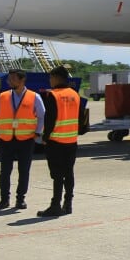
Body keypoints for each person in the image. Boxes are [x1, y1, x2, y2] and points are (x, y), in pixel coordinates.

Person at [0, 69, 45, 211]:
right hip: (6, 139)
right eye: (9, 79)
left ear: (22, 80)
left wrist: (38, 132)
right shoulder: (2, 96)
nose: (10, 81)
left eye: (13, 79)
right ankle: (4, 199)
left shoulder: (34, 97)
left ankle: (20, 199)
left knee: (24, 170)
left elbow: (42, 116)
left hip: (26, 139)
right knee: (5, 171)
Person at [38, 66, 82, 217]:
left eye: (51, 77)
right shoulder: (74, 94)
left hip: (56, 141)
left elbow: (50, 119)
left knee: (57, 175)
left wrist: (45, 137)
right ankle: (68, 204)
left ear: (57, 78)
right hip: (71, 140)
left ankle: (55, 204)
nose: (50, 80)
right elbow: (81, 118)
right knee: (68, 173)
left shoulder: (54, 95)